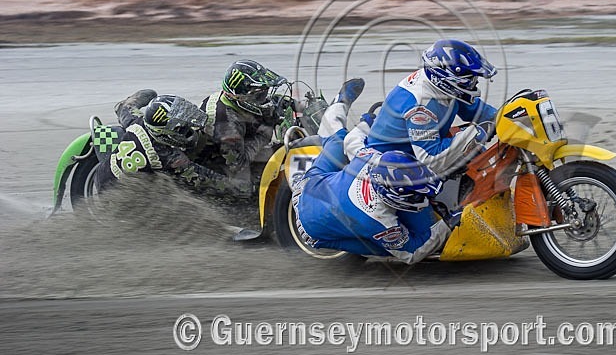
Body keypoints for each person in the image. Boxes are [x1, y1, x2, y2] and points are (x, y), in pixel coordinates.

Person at [292, 78, 460, 264]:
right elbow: (413, 253)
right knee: (385, 251)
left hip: (313, 184)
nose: (422, 200)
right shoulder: (379, 221)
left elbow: (353, 141)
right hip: (311, 226)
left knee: (339, 141)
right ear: (392, 197)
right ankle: (334, 110)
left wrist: (368, 122)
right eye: (414, 197)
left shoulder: (372, 157)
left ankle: (338, 105)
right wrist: (447, 225)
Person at [346, 39, 498, 178]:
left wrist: (504, 116)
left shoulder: (442, 86)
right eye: (471, 79)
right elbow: (430, 160)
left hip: (414, 149)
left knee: (472, 147)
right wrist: (476, 133)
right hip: (386, 166)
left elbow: (480, 113)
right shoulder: (421, 106)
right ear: (448, 79)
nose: (475, 83)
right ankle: (339, 104)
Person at [96, 94, 253, 199]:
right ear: (166, 133)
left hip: (107, 169)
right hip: (116, 191)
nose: (190, 129)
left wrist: (136, 100)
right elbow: (206, 179)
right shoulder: (169, 157)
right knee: (185, 202)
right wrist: (243, 188)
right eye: (182, 129)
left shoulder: (139, 121)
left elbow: (124, 108)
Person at [199, 59, 290, 182]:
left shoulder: (231, 97)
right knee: (248, 188)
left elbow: (259, 102)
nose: (264, 99)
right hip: (219, 165)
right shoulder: (226, 125)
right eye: (260, 95)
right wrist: (266, 130)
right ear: (241, 97)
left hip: (230, 145)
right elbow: (238, 164)